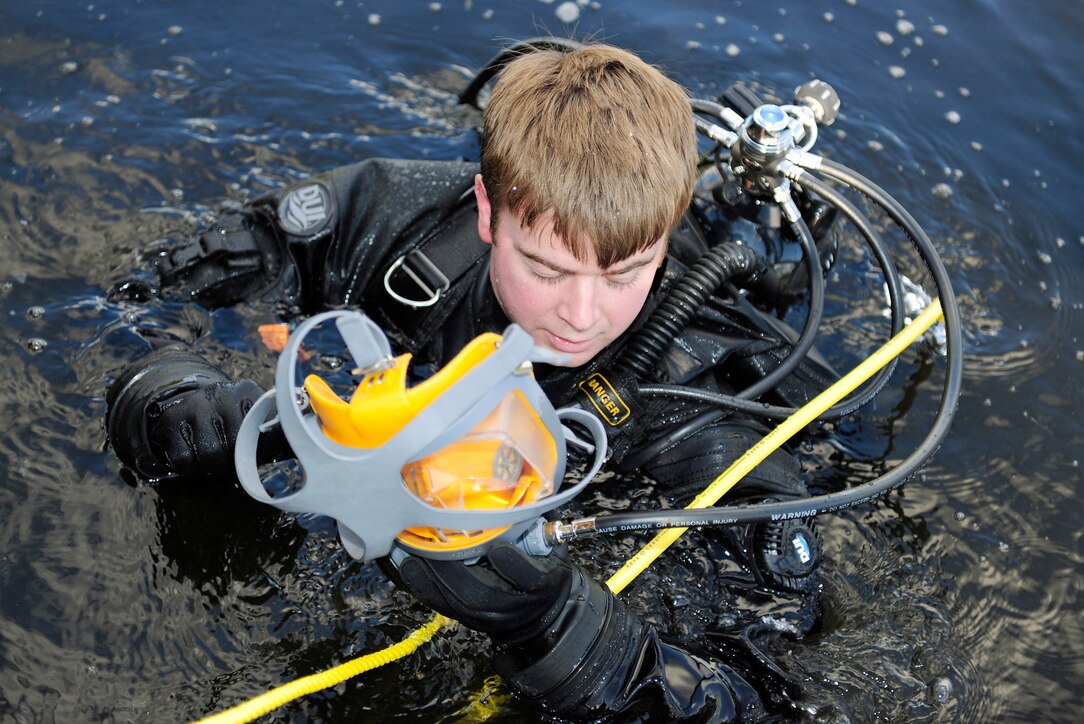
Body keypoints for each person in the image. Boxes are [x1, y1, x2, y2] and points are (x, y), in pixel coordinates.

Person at [106, 40, 836, 721]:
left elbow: (771, 683)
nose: (581, 317)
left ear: (667, 233)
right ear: (488, 211)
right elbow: (147, 298)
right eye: (546, 268)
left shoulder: (702, 403)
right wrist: (172, 401)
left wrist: (561, 630)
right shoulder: (381, 219)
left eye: (624, 274)